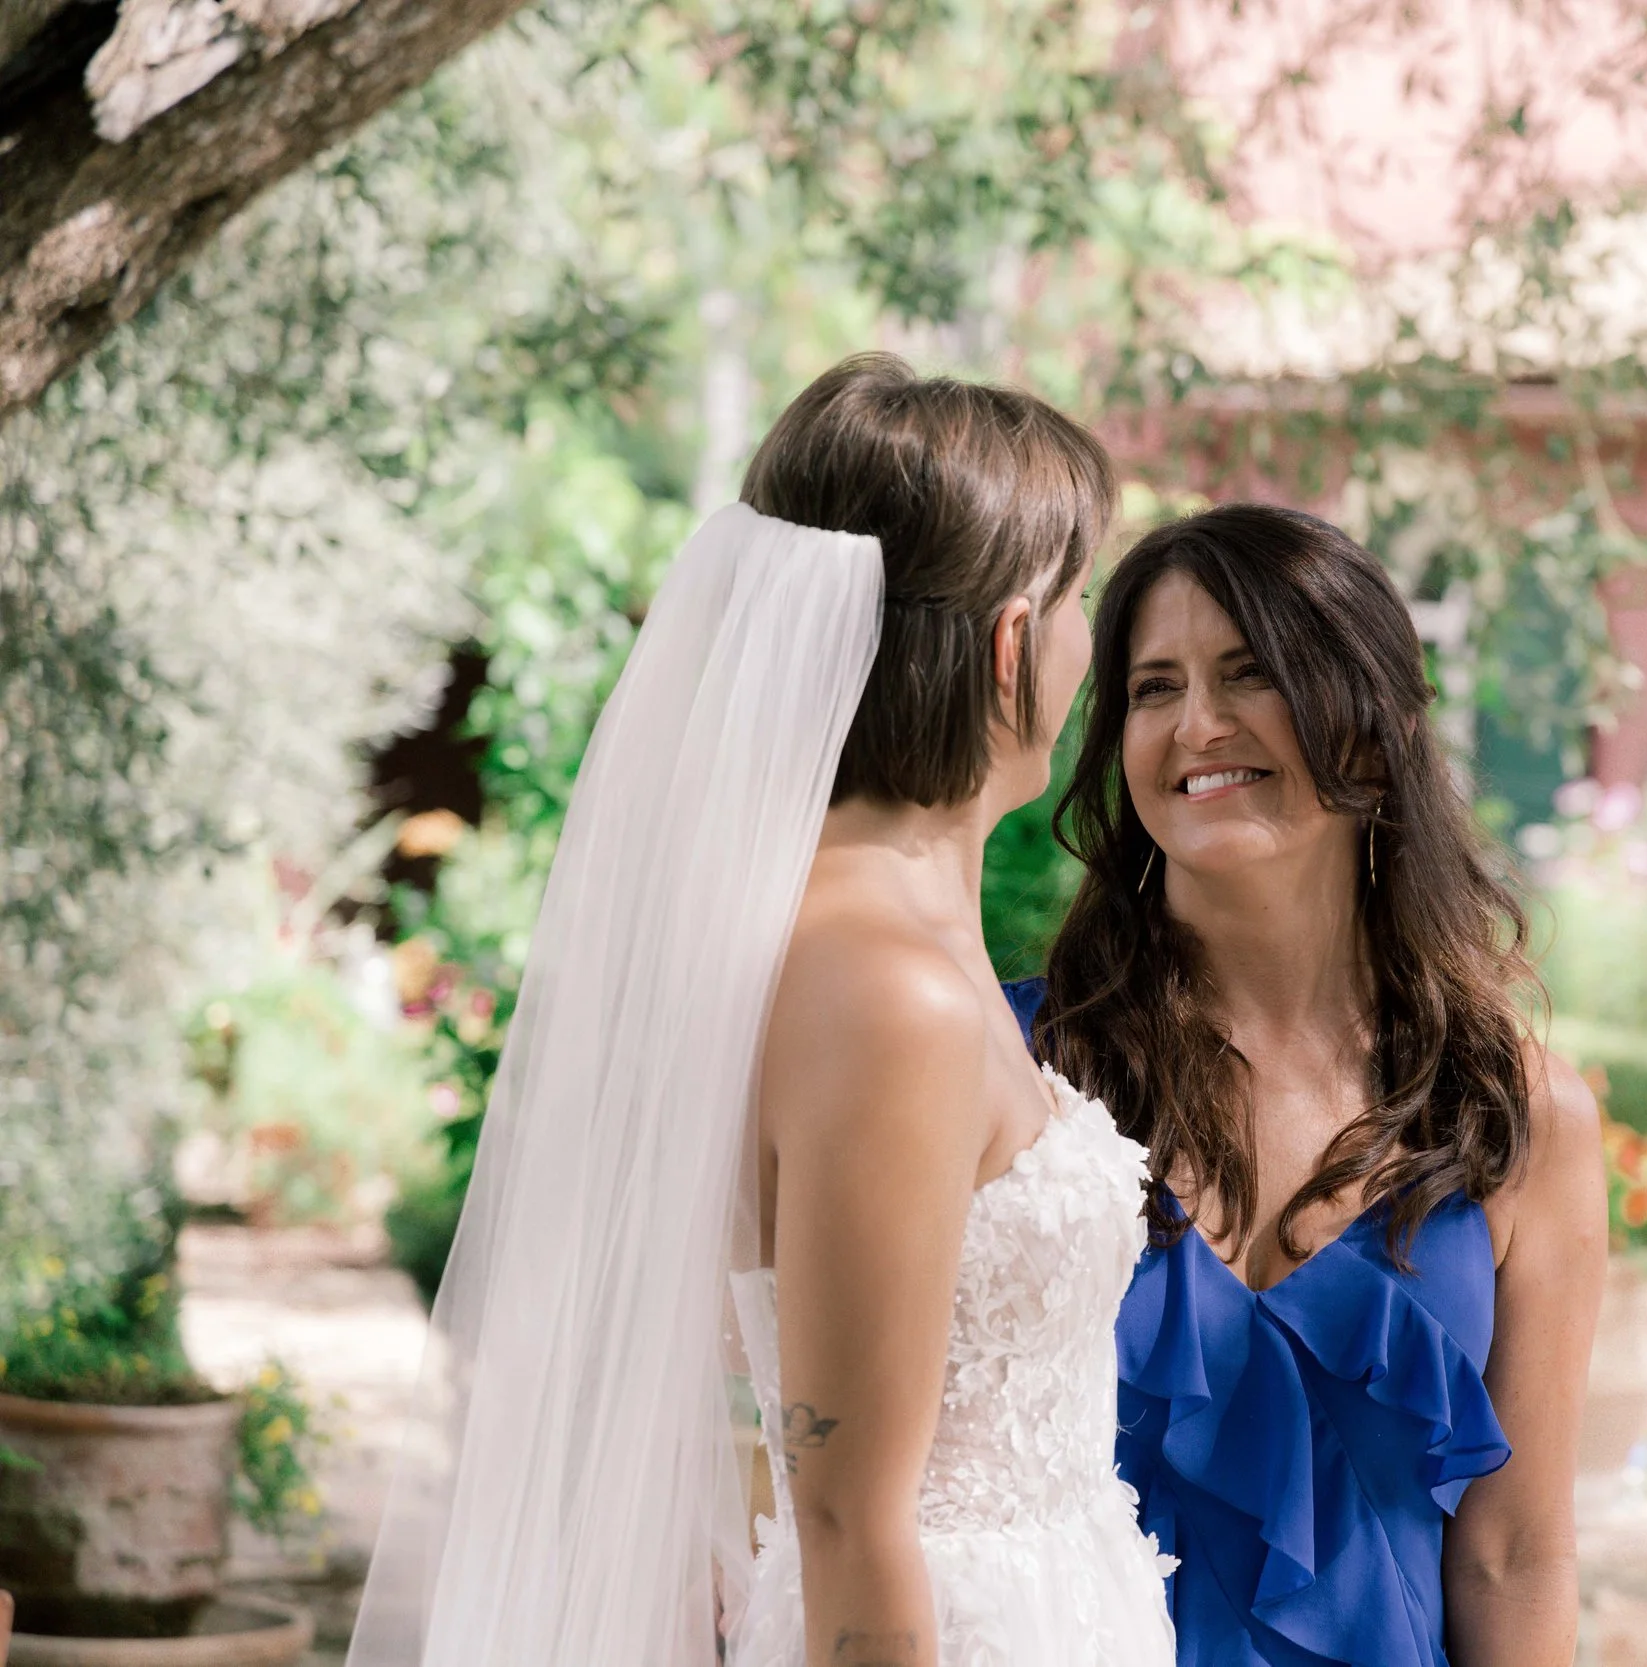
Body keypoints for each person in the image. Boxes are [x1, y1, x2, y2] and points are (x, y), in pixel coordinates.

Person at [346, 356, 1175, 1667]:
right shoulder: (886, 991)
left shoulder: (875, 932)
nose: (1097, 647)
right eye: (1086, 598)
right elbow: (852, 1509)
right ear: (1015, 637)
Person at [1031, 504, 1607, 1667]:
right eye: (1152, 686)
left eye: (1251, 673)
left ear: (1374, 722)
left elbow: (1516, 1553)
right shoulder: (1016, 1067)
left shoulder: (1519, 1114)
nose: (1198, 723)